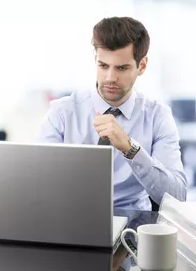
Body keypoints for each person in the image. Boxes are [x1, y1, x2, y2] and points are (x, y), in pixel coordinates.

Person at [38, 16, 187, 210]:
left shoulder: (158, 116)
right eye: (103, 66)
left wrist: (130, 149)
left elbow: (177, 197)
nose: (110, 77)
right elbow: (39, 184)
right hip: (71, 218)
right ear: (95, 60)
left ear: (141, 66)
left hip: (133, 226)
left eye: (122, 68)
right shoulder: (62, 113)